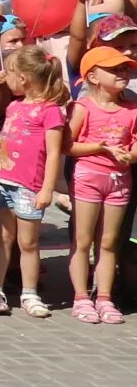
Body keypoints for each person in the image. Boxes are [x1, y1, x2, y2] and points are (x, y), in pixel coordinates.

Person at [0, 42, 66, 318]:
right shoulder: (14, 107)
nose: (5, 77)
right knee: (2, 238)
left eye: (8, 73)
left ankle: (29, 292)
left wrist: (48, 188)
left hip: (29, 186)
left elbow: (55, 152)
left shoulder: (50, 111)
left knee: (28, 243)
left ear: (22, 78)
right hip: (4, 180)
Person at [65, 40, 135, 323]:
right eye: (114, 69)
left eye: (125, 69)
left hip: (120, 180)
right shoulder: (82, 107)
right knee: (83, 240)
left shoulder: (131, 109)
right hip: (88, 177)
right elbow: (67, 145)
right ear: (93, 76)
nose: (122, 73)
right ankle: (81, 297)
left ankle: (104, 297)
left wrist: (129, 155)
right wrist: (101, 148)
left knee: (108, 242)